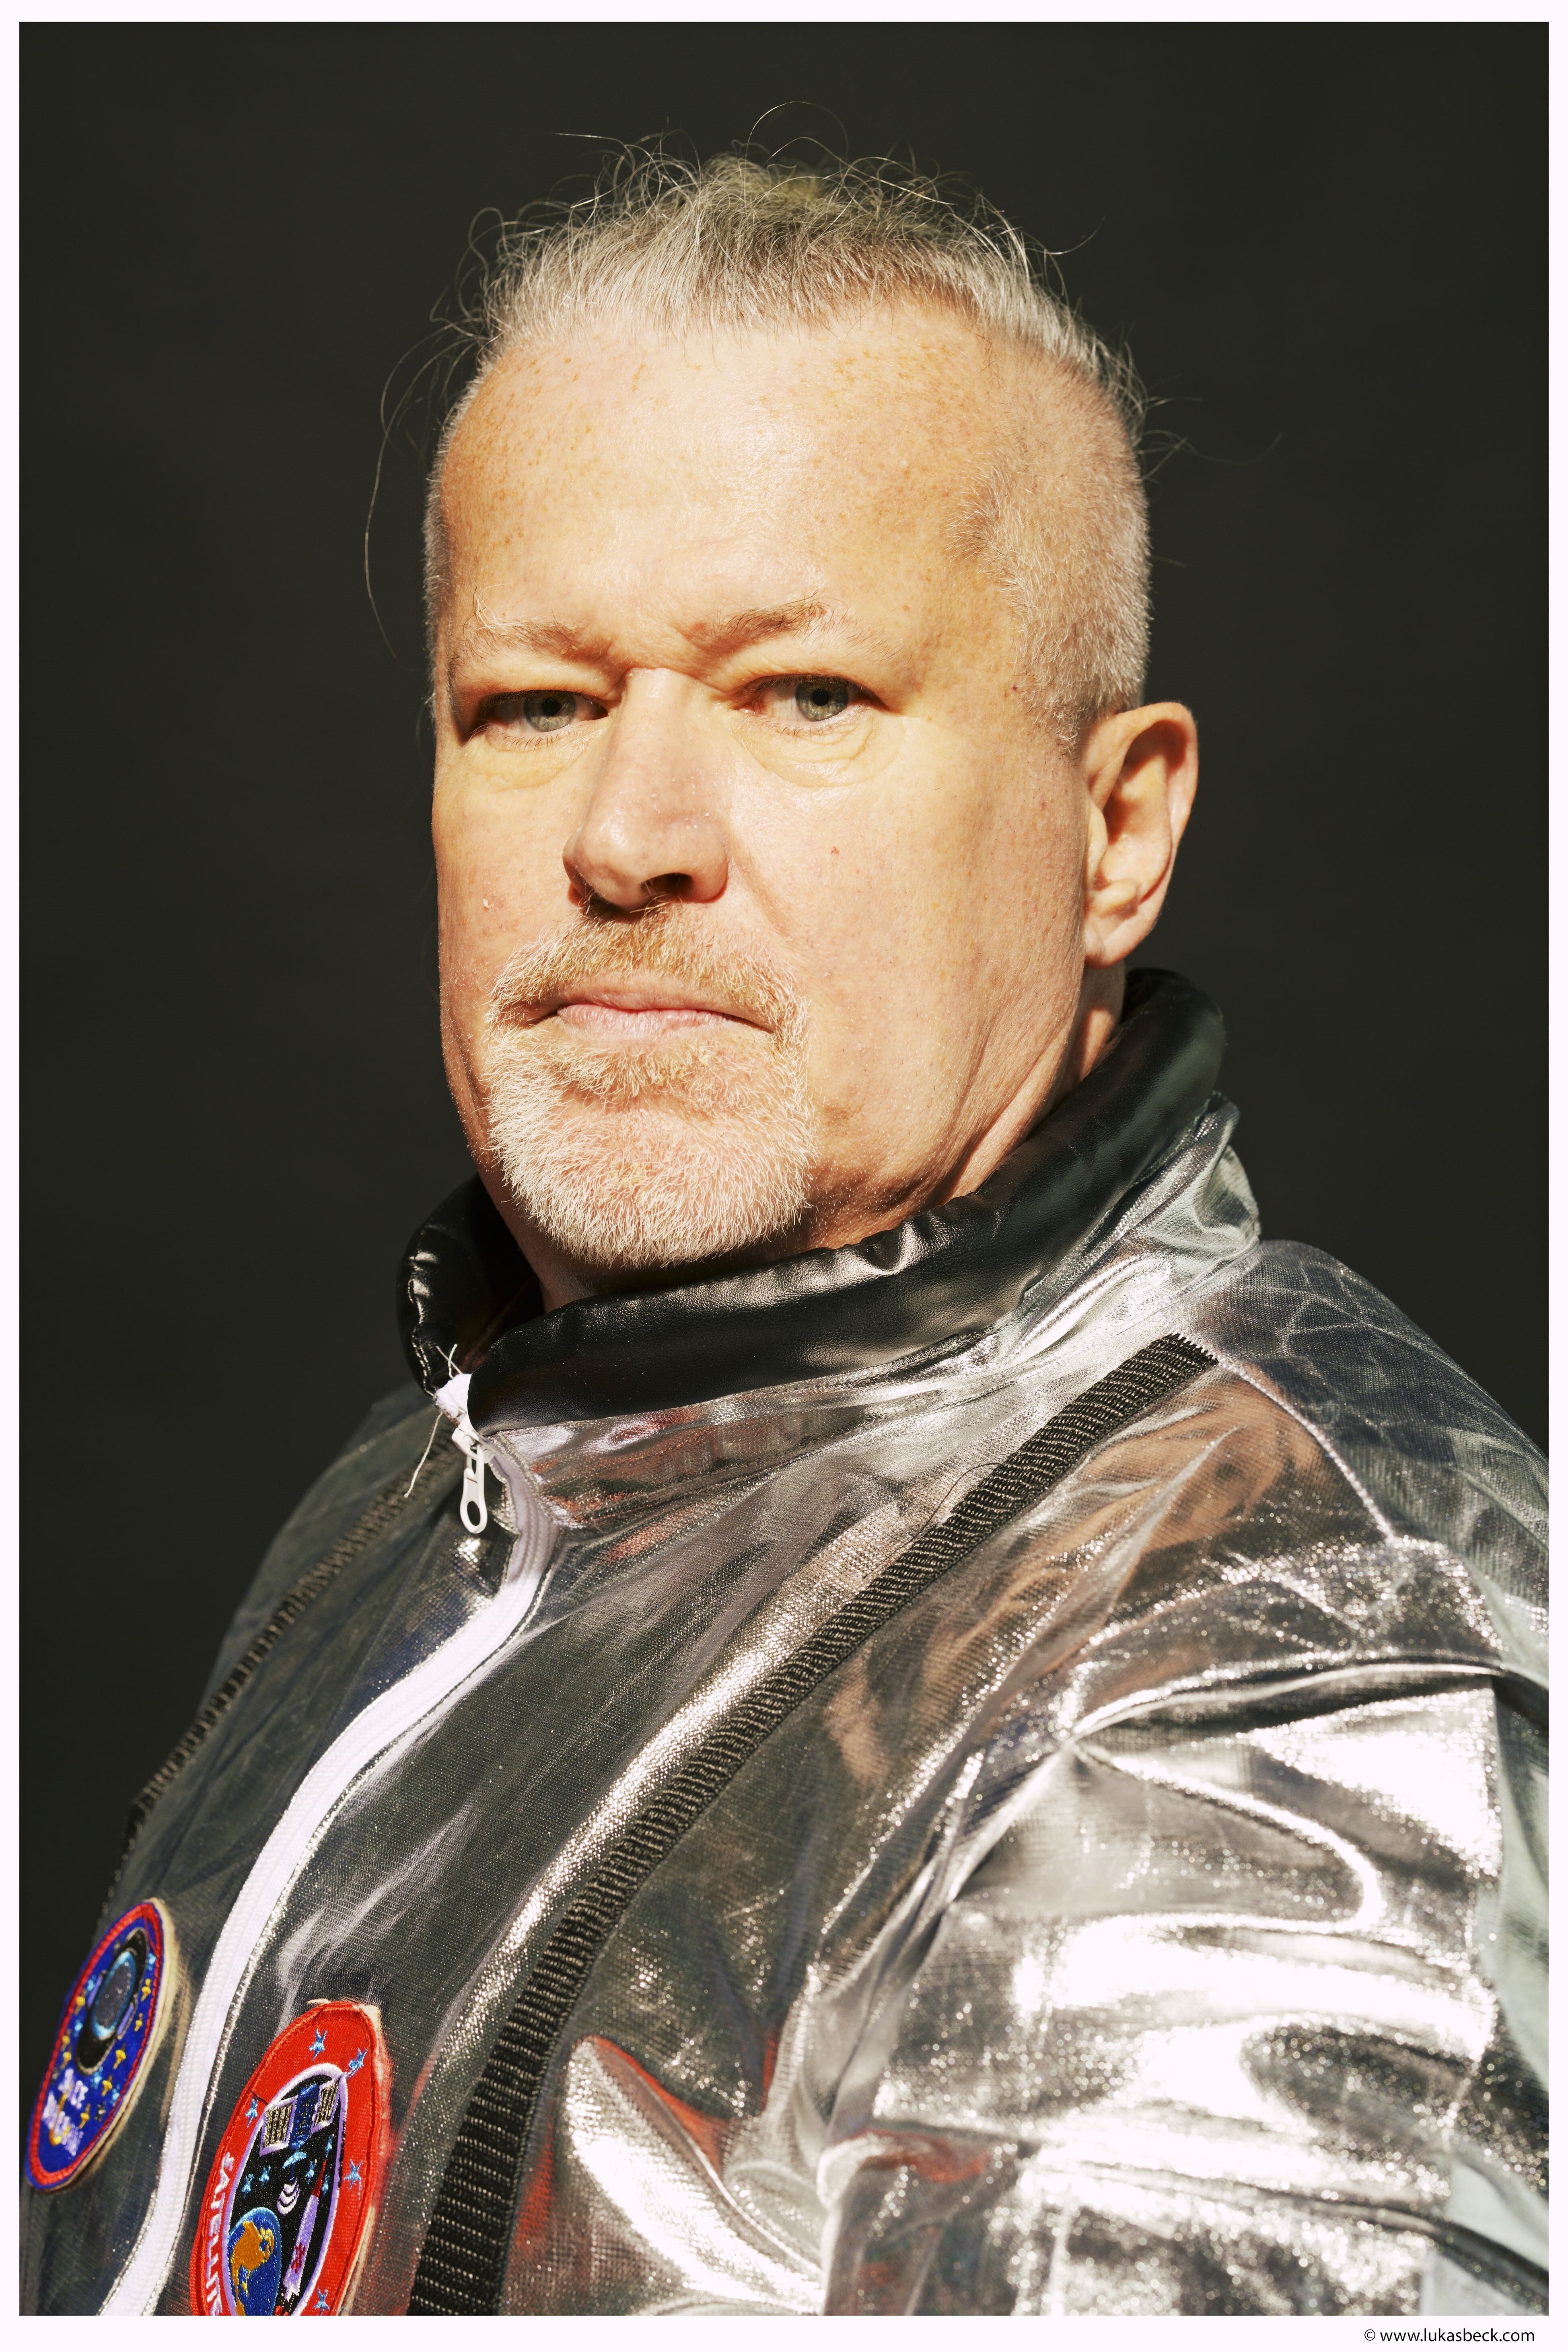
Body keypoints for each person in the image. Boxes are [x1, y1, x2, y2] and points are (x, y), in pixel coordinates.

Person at [23, 154, 1545, 2320]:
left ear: (1116, 832)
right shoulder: (450, 1477)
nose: (628, 834)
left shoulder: (1272, 1659)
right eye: (534, 703)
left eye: (804, 694)